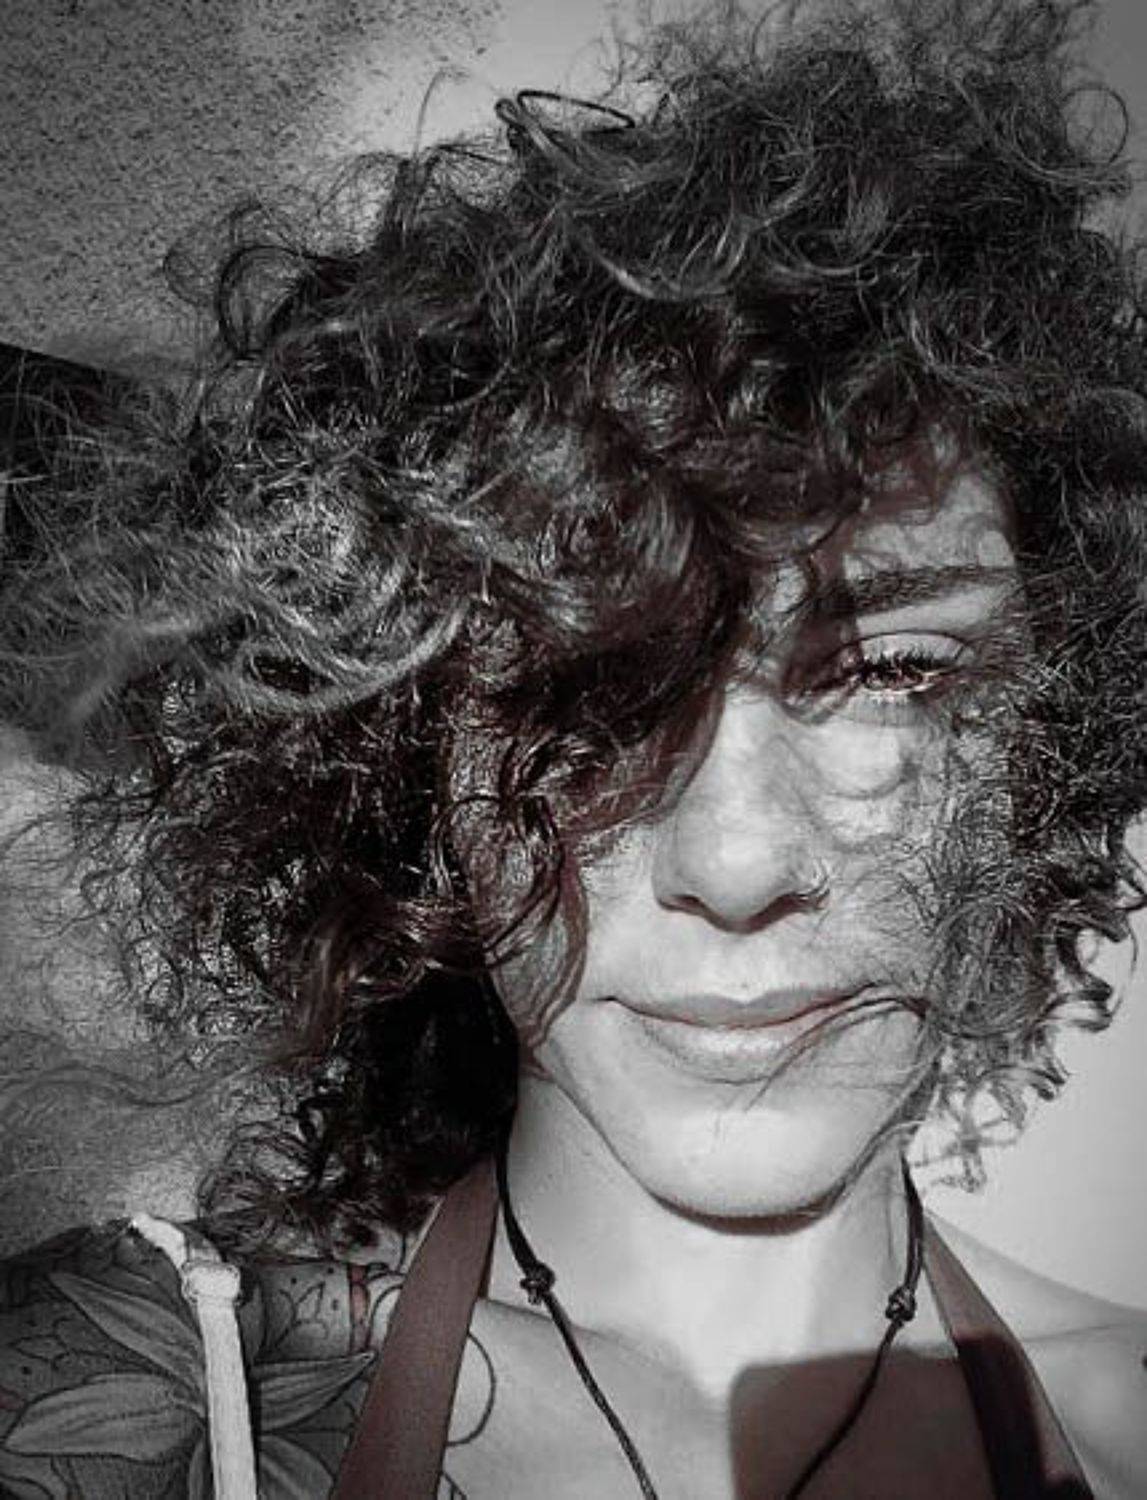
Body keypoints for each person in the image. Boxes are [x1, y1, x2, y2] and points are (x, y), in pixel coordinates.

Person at [1, 0, 1146, 1494]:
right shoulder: (143, 1399)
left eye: (889, 674)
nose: (737, 863)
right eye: (583, 694)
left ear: (1054, 741)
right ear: (413, 757)